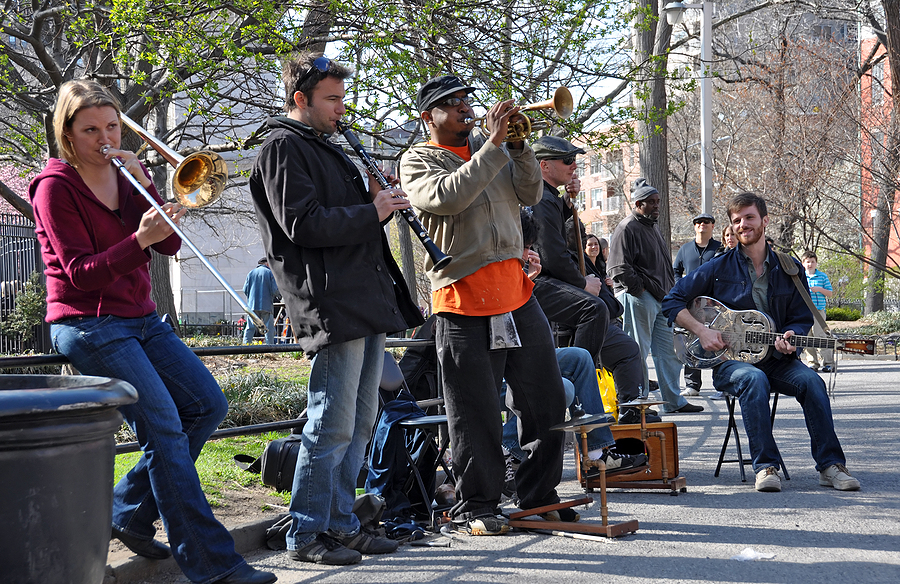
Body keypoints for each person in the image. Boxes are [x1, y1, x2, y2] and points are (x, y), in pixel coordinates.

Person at [30, 80, 275, 584]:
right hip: (88, 322)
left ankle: (126, 510)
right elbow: (81, 274)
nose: (105, 137)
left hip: (140, 318)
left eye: (112, 125)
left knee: (208, 406)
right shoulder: (54, 187)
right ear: (68, 134)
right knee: (163, 425)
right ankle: (212, 563)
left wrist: (152, 195)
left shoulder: (126, 174)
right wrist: (140, 235)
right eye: (90, 129)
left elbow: (165, 250)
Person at [249, 53, 423, 565]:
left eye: (342, 98)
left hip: (362, 298)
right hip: (329, 301)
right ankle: (305, 533)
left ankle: (343, 523)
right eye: (332, 99)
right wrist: (372, 210)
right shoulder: (282, 147)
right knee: (331, 423)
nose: (340, 109)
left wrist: (373, 200)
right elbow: (303, 225)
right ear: (300, 98)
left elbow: (348, 222)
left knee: (362, 419)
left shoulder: (326, 148)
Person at [399, 75, 568, 535]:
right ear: (426, 116)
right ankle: (478, 505)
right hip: (461, 299)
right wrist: (493, 145)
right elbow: (447, 198)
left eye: (465, 102)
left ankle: (538, 496)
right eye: (449, 104)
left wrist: (517, 146)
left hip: (516, 294)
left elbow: (531, 193)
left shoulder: (491, 149)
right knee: (474, 411)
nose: (463, 109)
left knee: (547, 400)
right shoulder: (417, 159)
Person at [662, 192, 860, 493]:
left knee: (813, 383)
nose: (743, 225)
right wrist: (701, 331)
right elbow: (672, 300)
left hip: (778, 360)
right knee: (753, 379)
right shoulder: (718, 267)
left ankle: (830, 465)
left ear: (764, 221)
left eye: (749, 217)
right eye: (737, 220)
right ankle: (766, 467)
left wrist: (792, 335)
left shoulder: (790, 268)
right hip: (731, 364)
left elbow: (800, 316)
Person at [606, 178, 703, 414]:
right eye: (651, 202)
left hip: (662, 300)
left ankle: (673, 401)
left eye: (658, 201)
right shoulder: (626, 227)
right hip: (639, 298)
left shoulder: (652, 227)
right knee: (636, 351)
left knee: (669, 353)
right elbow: (618, 267)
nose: (657, 206)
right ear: (638, 204)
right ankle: (638, 402)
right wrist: (640, 290)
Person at [528, 136, 610, 364]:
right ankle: (574, 377)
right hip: (533, 280)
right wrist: (582, 283)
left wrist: (566, 201)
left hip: (538, 278)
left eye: (573, 159)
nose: (573, 165)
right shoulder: (541, 199)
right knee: (594, 309)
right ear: (544, 165)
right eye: (566, 160)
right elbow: (551, 255)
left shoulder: (546, 196)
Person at [673, 212, 721, 398]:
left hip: (715, 303)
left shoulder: (720, 247)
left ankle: (721, 384)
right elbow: (676, 270)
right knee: (690, 341)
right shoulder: (685, 249)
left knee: (720, 340)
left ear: (712, 226)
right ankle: (692, 385)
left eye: (707, 222)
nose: (702, 225)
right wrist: (681, 285)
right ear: (695, 226)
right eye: (699, 222)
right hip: (691, 303)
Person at [800, 250, 834, 373]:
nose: (810, 264)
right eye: (808, 262)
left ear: (816, 263)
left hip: (818, 311)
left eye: (812, 262)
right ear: (803, 263)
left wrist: (819, 289)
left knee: (821, 336)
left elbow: (830, 293)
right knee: (808, 337)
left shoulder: (822, 276)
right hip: (804, 311)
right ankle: (812, 363)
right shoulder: (800, 277)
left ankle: (829, 363)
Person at [242, 258, 279, 344]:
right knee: (268, 328)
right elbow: (275, 290)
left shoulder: (251, 273)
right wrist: (279, 296)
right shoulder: (269, 273)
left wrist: (251, 297)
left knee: (250, 327)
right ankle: (270, 348)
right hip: (266, 305)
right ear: (266, 264)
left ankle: (245, 346)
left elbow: (245, 289)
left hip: (252, 305)